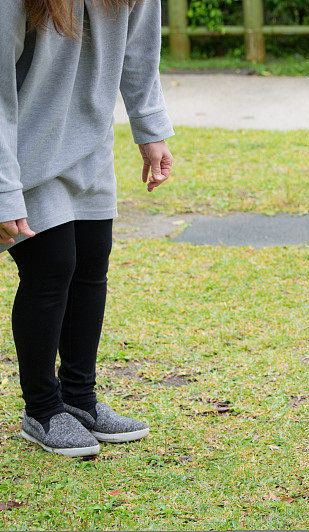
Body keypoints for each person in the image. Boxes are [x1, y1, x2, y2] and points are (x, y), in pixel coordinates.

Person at [1, 0, 174, 457]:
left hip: (89, 143)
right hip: (23, 150)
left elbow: (140, 48)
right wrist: (3, 189)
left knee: (92, 263)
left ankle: (80, 400)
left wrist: (149, 128)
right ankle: (41, 409)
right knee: (51, 268)